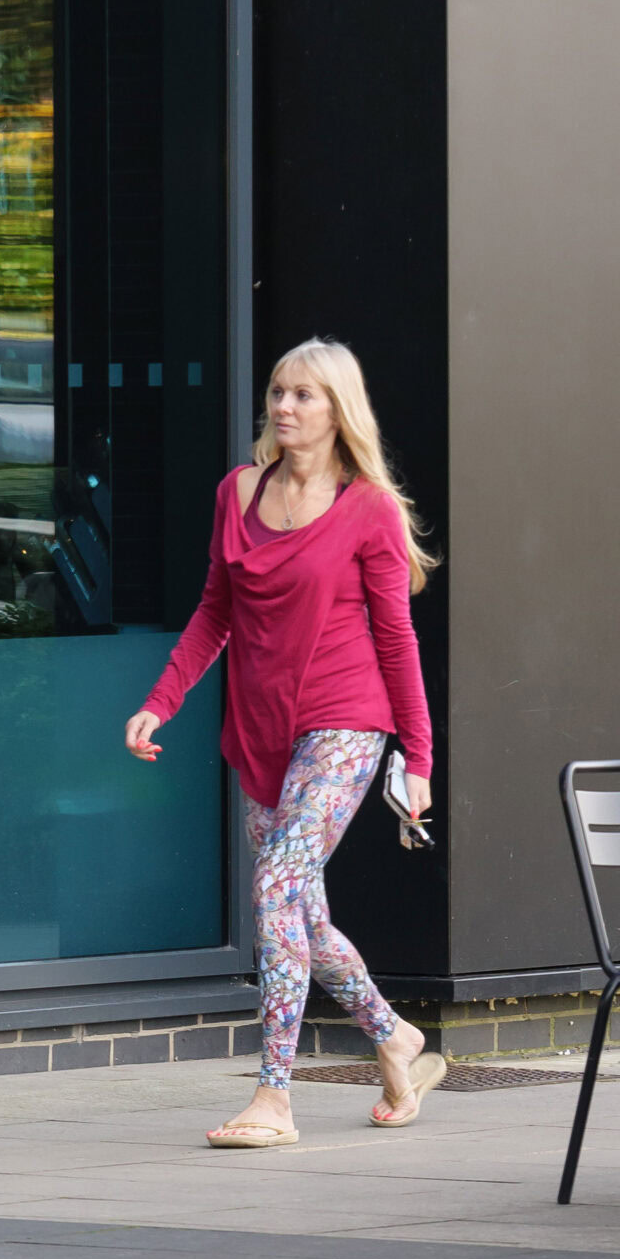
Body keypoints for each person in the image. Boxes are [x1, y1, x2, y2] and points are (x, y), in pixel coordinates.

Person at [124, 338, 439, 1149]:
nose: (284, 407)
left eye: (304, 395)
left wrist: (419, 757)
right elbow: (213, 614)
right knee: (301, 911)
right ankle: (396, 1035)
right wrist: (161, 702)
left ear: (338, 411)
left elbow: (396, 640)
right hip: (262, 730)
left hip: (344, 724)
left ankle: (274, 1094)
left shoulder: (366, 506)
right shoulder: (237, 494)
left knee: (272, 887)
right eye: (277, 392)